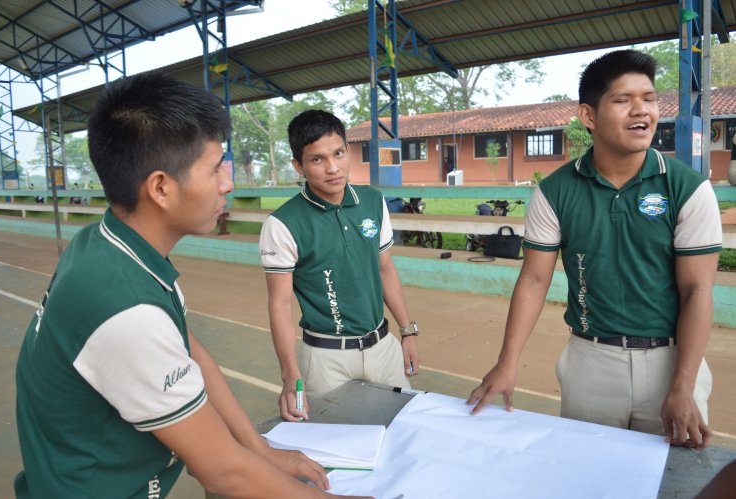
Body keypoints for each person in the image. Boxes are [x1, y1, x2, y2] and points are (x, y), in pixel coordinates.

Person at [14, 73, 369, 499]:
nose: (228, 183)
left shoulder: (106, 244)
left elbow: (189, 350)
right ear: (161, 187)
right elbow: (223, 473)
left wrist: (259, 449)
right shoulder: (125, 309)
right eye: (215, 168)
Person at [467, 50, 722, 449]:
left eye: (649, 98)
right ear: (589, 116)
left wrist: (683, 386)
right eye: (623, 100)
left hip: (671, 361)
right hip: (591, 360)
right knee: (588, 475)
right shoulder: (554, 192)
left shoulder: (687, 189)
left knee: (672, 481)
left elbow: (697, 291)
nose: (642, 111)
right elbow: (534, 279)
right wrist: (507, 363)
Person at [259, 110, 420, 421]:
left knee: (402, 430)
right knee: (333, 453)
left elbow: (385, 269)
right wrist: (290, 374)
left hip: (384, 347)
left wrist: (408, 332)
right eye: (317, 159)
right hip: (324, 360)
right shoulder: (283, 224)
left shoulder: (373, 201)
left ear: (348, 151)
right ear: (299, 166)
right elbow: (279, 303)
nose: (332, 168)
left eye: (338, 153)